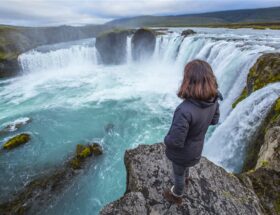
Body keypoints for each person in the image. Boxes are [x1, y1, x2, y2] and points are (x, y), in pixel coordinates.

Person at [163, 59, 222, 205]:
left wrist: (166, 139)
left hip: (181, 154)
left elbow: (176, 142)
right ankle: (187, 178)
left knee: (178, 174)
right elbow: (214, 121)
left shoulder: (184, 110)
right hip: (197, 149)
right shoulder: (213, 100)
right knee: (186, 167)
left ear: (188, 82)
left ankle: (177, 194)